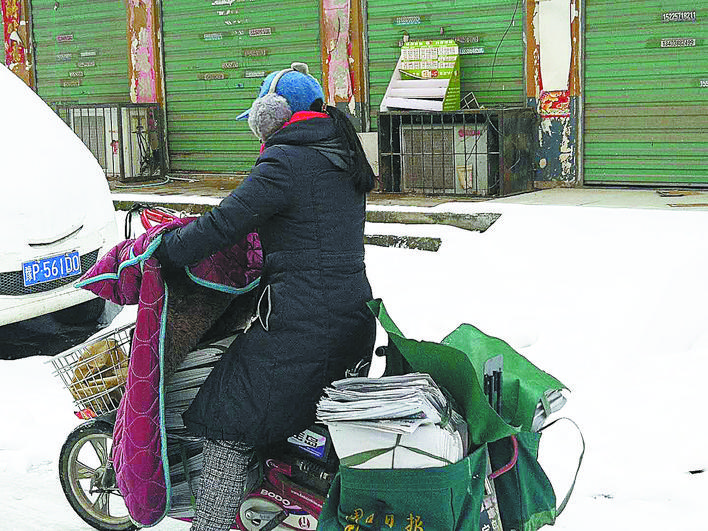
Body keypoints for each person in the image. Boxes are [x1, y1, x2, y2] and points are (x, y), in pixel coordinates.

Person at [154, 62, 377, 530]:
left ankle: (210, 524)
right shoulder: (340, 153)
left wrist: (166, 252)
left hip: (301, 330)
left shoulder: (285, 161)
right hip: (351, 321)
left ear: (271, 117)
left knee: (223, 420)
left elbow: (224, 222)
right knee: (272, 414)